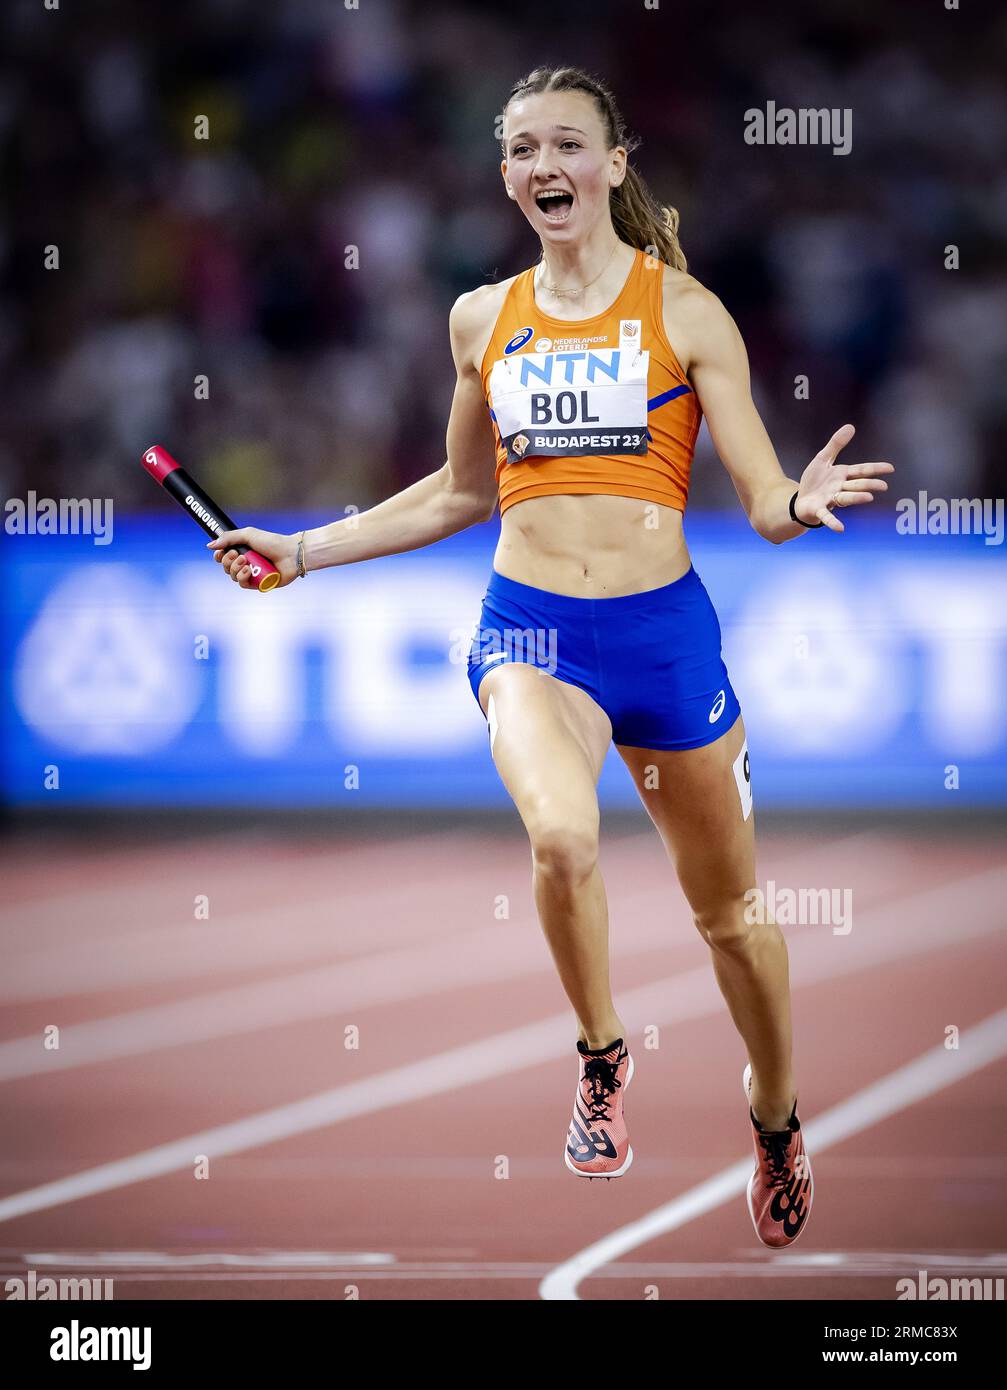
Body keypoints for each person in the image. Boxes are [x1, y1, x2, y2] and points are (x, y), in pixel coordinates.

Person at [209, 65, 893, 1247]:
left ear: (613, 166)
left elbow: (761, 494)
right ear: (506, 178)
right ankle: (599, 1054)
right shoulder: (483, 316)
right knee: (562, 837)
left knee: (729, 917)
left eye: (566, 145)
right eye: (522, 150)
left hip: (663, 637)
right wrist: (304, 551)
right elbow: (461, 493)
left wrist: (799, 498)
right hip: (527, 630)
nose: (543, 169)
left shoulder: (685, 312)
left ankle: (775, 1119)